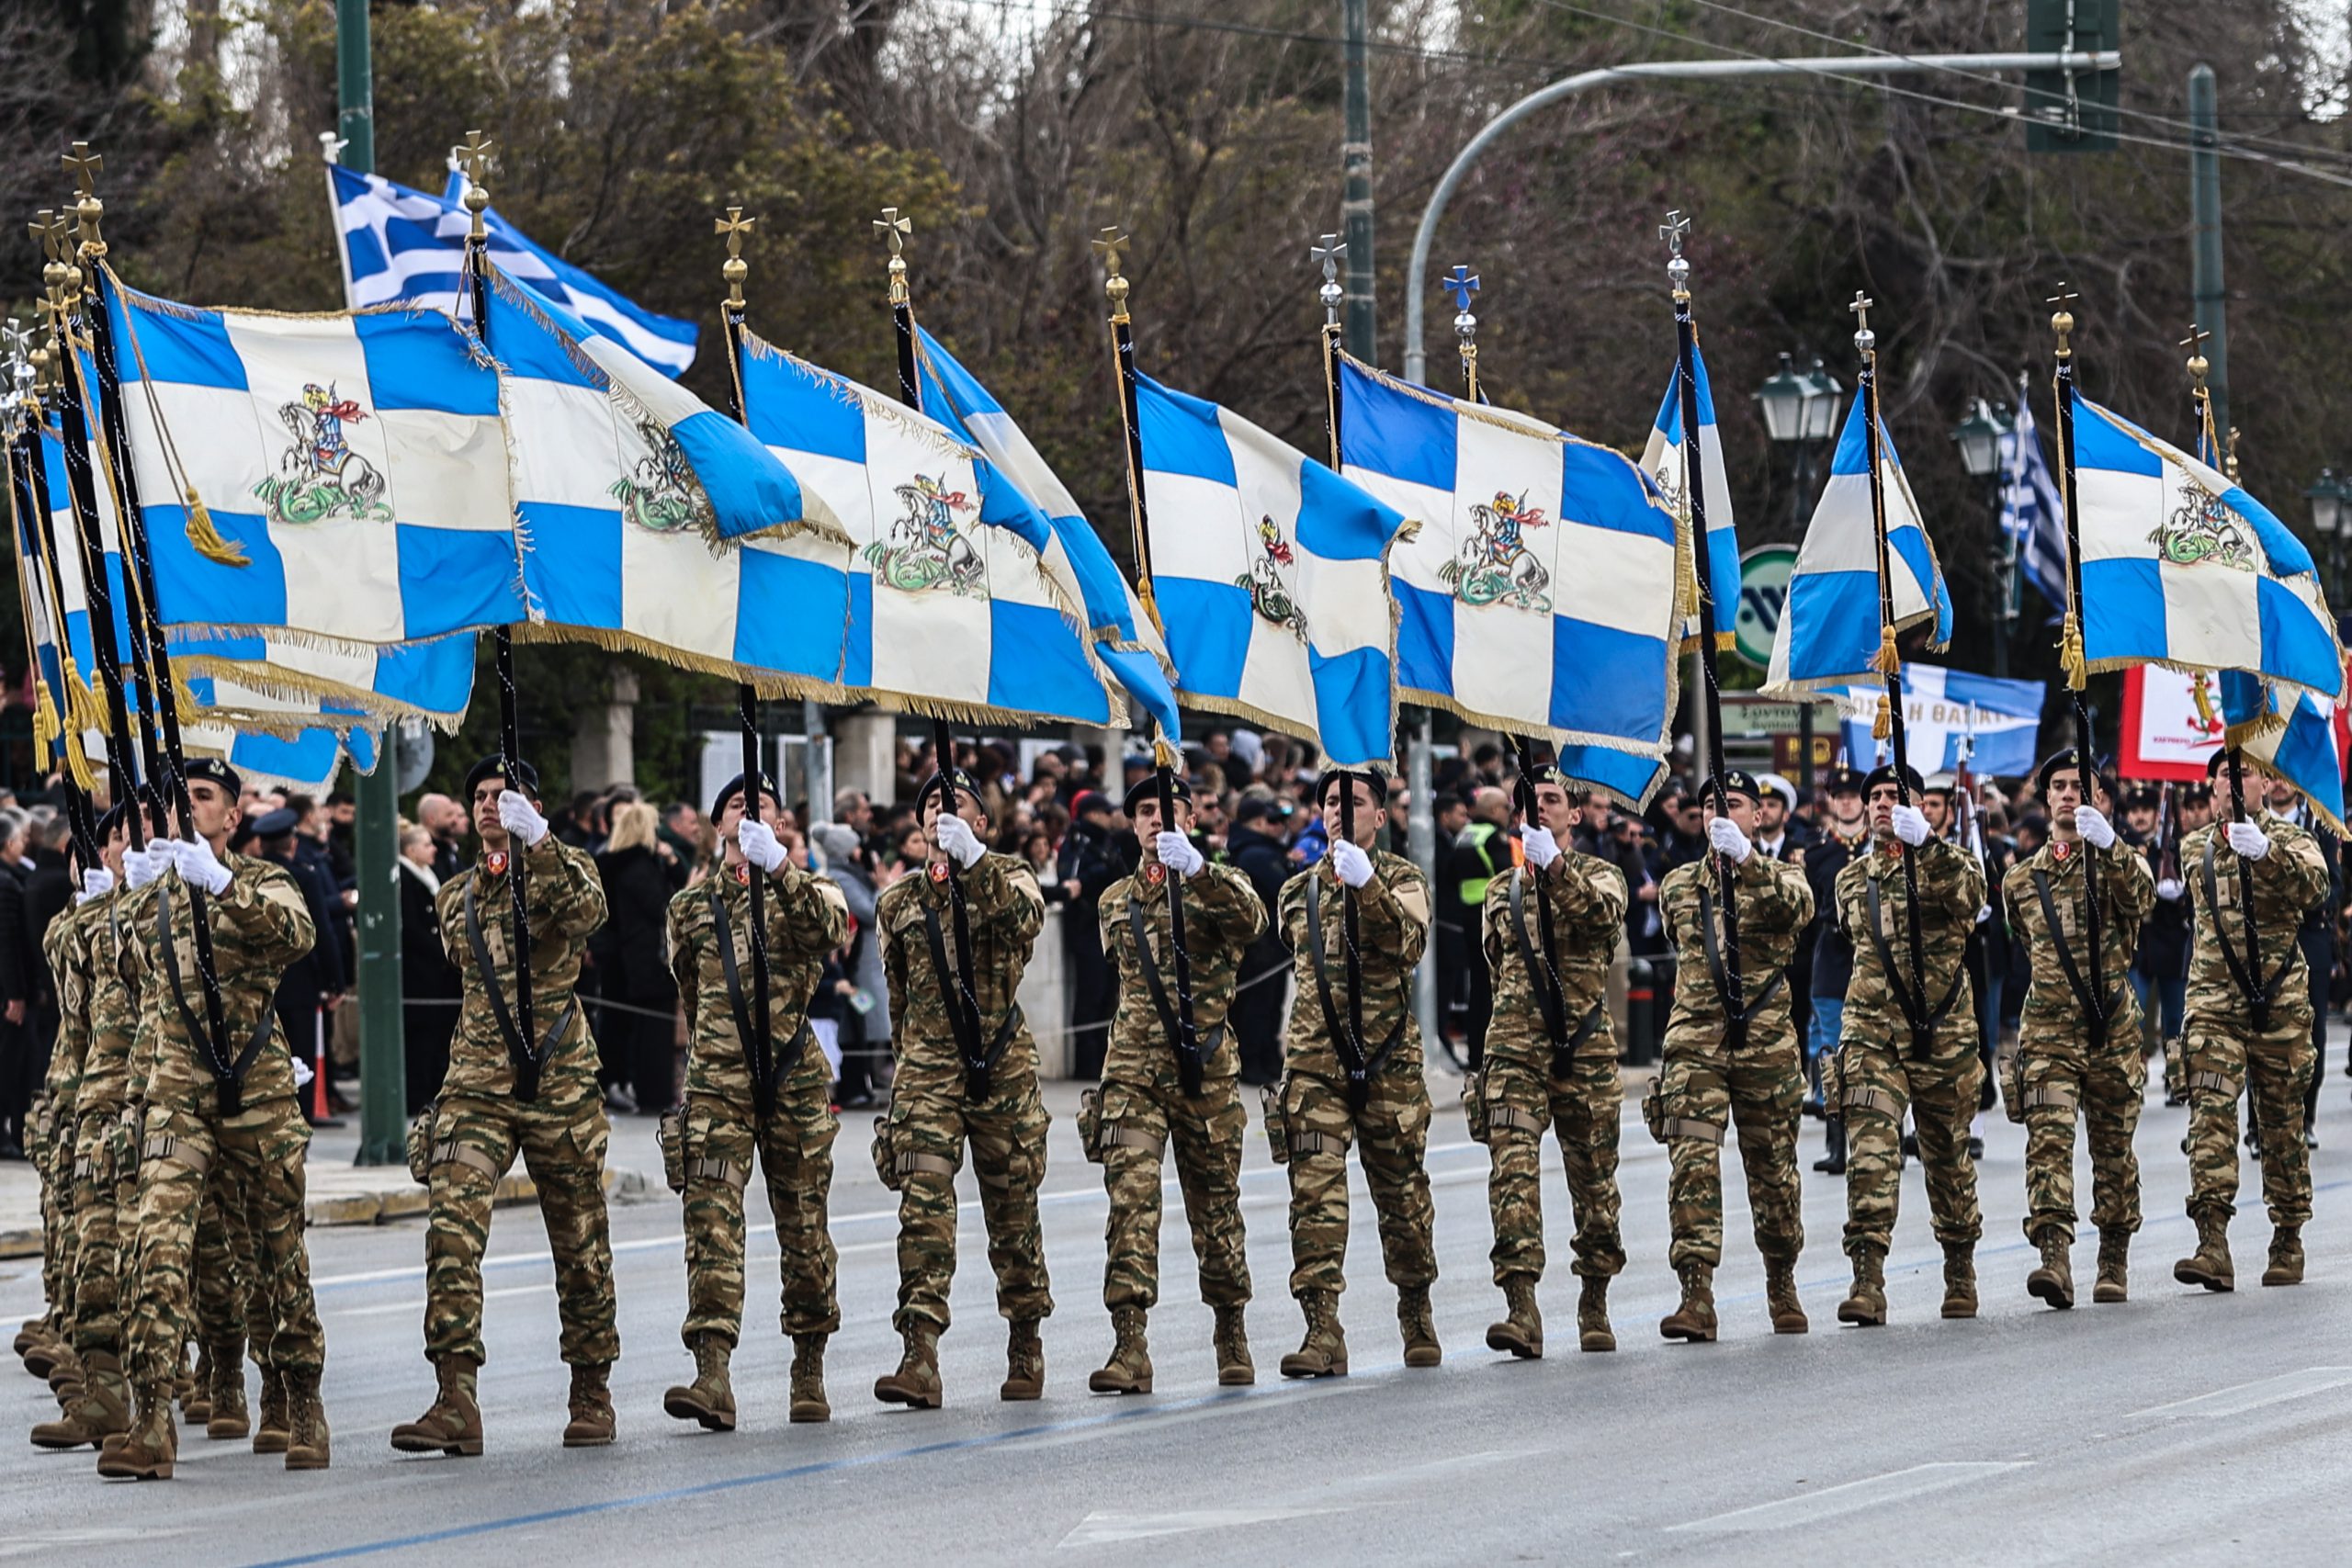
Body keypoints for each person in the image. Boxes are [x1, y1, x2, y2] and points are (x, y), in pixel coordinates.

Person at [99, 761, 330, 1479]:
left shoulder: (263, 882)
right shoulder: (153, 894)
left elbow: (298, 937)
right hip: (176, 1094)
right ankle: (152, 1418)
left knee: (275, 1258)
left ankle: (299, 1399)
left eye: (201, 798)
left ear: (232, 817)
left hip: (255, 1092)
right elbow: (122, 980)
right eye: (178, 799)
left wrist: (221, 886)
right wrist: (129, 893)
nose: (186, 809)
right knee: (155, 1248)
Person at [391, 757, 615, 1457]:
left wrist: (540, 846)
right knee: (451, 1231)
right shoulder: (454, 894)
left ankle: (590, 1389)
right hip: (476, 1084)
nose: (489, 806)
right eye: (481, 797)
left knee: (579, 1240)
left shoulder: (568, 868)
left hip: (559, 1080)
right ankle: (455, 1395)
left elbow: (587, 914)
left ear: (531, 805)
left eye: (503, 796)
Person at [661, 773, 850, 1430]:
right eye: (736, 805)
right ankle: (712, 1370)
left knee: (803, 1228)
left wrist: (781, 868)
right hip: (718, 1083)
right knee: (710, 1226)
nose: (747, 812)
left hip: (793, 1079)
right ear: (717, 828)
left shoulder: (807, 891)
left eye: (761, 806)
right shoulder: (690, 907)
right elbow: (689, 984)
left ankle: (808, 1364)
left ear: (782, 826)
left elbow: (831, 928)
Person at [871, 769, 1050, 1408]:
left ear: (982, 823)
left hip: (1000, 1065)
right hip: (928, 1069)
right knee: (922, 1206)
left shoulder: (1012, 876)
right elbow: (898, 997)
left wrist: (974, 865)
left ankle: (1025, 1338)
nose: (937, 813)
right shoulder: (898, 902)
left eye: (955, 804)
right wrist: (910, 1071)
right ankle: (919, 1350)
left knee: (1013, 1209)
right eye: (928, 806)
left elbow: (1025, 920)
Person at [1086, 774, 1267, 1394]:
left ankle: (1231, 1329)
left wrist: (1199, 872)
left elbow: (1251, 923)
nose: (1154, 821)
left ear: (1191, 818)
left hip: (1206, 1070)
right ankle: (1129, 1342)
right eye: (1143, 811)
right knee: (1130, 1203)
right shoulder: (1116, 898)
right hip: (1134, 1070)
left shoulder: (1222, 884)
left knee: (1216, 1208)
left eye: (1166, 809)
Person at [1272, 767, 1437, 1378]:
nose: (1340, 811)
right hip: (1316, 1063)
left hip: (1389, 1060)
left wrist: (1367, 887)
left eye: (1354, 801)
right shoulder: (1297, 891)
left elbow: (1406, 946)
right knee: (1314, 1196)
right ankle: (1322, 1327)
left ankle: (1416, 1307)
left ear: (1379, 814)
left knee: (1403, 1197)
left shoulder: (1404, 880)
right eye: (1330, 803)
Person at [1651, 771, 1816, 1342]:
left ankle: (1781, 1278)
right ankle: (1695, 1293)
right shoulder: (1678, 885)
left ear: (1757, 816)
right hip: (1696, 1043)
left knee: (1773, 1170)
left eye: (1736, 805)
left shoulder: (1783, 875)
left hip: (1766, 1044)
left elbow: (1796, 910)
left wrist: (1746, 861)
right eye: (1711, 807)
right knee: (1692, 1165)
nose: (1720, 814)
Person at [1475, 767, 1628, 1359]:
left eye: (1550, 800)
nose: (1538, 809)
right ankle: (1521, 1306)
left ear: (1574, 816)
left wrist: (1557, 869)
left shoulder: (1602, 876)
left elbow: (1599, 920)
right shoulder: (1499, 890)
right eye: (1528, 803)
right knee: (1511, 1176)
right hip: (1514, 1048)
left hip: (1584, 1049)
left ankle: (1594, 1299)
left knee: (1595, 1185)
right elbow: (1497, 969)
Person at [1831, 762, 1988, 1326]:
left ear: (1921, 807)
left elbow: (1970, 899)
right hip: (1873, 1035)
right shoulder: (1852, 880)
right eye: (1873, 796)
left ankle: (1959, 1268)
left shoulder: (1954, 864)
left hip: (1942, 1035)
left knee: (1946, 1157)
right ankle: (1867, 1278)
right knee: (1871, 1154)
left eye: (1895, 796)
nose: (1880, 804)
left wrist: (1929, 848)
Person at [2173, 751, 2332, 1291]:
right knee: (2210, 1115)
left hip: (2279, 1003)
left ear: (2265, 782)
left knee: (2282, 1122)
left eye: (2244, 772)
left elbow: (2314, 890)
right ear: (2211, 788)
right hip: (2215, 1003)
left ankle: (2288, 1235)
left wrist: (2265, 853)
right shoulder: (2196, 848)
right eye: (2225, 774)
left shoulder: (2292, 840)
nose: (2234, 782)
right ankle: (2212, 1241)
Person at [2001, 751, 2154, 1308]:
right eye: (2059, 787)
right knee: (2048, 1143)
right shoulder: (2021, 878)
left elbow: (2143, 900)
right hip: (2047, 1032)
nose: (2069, 795)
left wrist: (2110, 844)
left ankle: (2112, 1257)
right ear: (2046, 802)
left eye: (2081, 787)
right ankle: (2054, 1257)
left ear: (2102, 801)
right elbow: (2025, 941)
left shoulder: (2120, 863)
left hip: (2111, 1028)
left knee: (2113, 1150)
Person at [28, 809, 130, 1451]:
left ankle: (225, 1374)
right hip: (90, 1098)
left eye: (119, 837)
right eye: (105, 840)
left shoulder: (205, 892)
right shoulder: (85, 916)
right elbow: (60, 953)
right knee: (92, 1241)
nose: (111, 849)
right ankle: (103, 1383)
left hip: (172, 1100)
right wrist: (96, 903)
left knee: (201, 1257)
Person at [251, 809, 346, 1119]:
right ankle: (299, 1126)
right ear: (292, 843)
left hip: (261, 987)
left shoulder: (248, 878)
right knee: (302, 1061)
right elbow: (321, 931)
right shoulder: (303, 876)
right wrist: (335, 982)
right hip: (301, 985)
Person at [594, 802, 684, 1116]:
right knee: (654, 1033)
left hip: (628, 957)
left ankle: (643, 1088)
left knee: (640, 1029)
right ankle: (654, 1093)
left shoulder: (613, 863)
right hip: (646, 958)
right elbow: (663, 905)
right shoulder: (638, 867)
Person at [1800, 765, 1867, 1173]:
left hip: (1870, 955)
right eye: (1839, 796)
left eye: (1852, 795)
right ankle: (1835, 1143)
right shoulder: (1818, 851)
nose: (1845, 801)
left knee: (1869, 1051)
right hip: (1830, 957)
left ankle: (1875, 1138)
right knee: (1831, 1051)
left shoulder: (1878, 848)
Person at [815, 824, 887, 1110]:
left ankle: (860, 1085)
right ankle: (851, 1088)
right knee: (851, 1027)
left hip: (856, 963)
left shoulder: (852, 874)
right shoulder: (840, 877)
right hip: (854, 964)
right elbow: (871, 912)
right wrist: (883, 888)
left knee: (861, 1024)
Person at [1226, 796, 1295, 1088]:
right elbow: (1284, 887)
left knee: (1272, 1004)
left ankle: (1267, 1057)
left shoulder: (1266, 850)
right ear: (1255, 823)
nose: (1279, 828)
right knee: (1257, 1005)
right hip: (1258, 944)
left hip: (1271, 944)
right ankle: (1252, 1060)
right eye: (1273, 821)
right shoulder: (1254, 853)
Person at [1055, 791, 1124, 1078]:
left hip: (1106, 930)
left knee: (1108, 997)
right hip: (1087, 930)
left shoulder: (1105, 843)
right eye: (1106, 813)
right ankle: (1087, 1065)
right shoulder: (1081, 843)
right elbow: (1074, 881)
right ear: (1092, 814)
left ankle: (1101, 1061)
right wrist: (1104, 867)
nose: (1111, 818)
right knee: (1090, 998)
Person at [1444, 788, 1514, 1066]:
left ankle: (1475, 1055)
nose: (1509, 815)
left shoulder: (1465, 835)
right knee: (1493, 989)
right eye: (1506, 809)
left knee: (1478, 992)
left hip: (1465, 917)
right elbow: (1506, 874)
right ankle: (1490, 1054)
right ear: (1496, 810)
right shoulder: (1493, 838)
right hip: (1491, 918)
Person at [398, 825, 460, 1112]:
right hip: (420, 970)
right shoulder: (405, 878)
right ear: (410, 850)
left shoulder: (428, 875)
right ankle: (417, 1094)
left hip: (437, 971)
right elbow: (411, 927)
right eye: (426, 844)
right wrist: (441, 952)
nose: (433, 848)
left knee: (436, 1036)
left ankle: (434, 1086)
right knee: (421, 1038)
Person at [417, 792, 467, 883]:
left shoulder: (448, 851)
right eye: (449, 815)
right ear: (432, 819)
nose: (455, 820)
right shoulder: (423, 856)